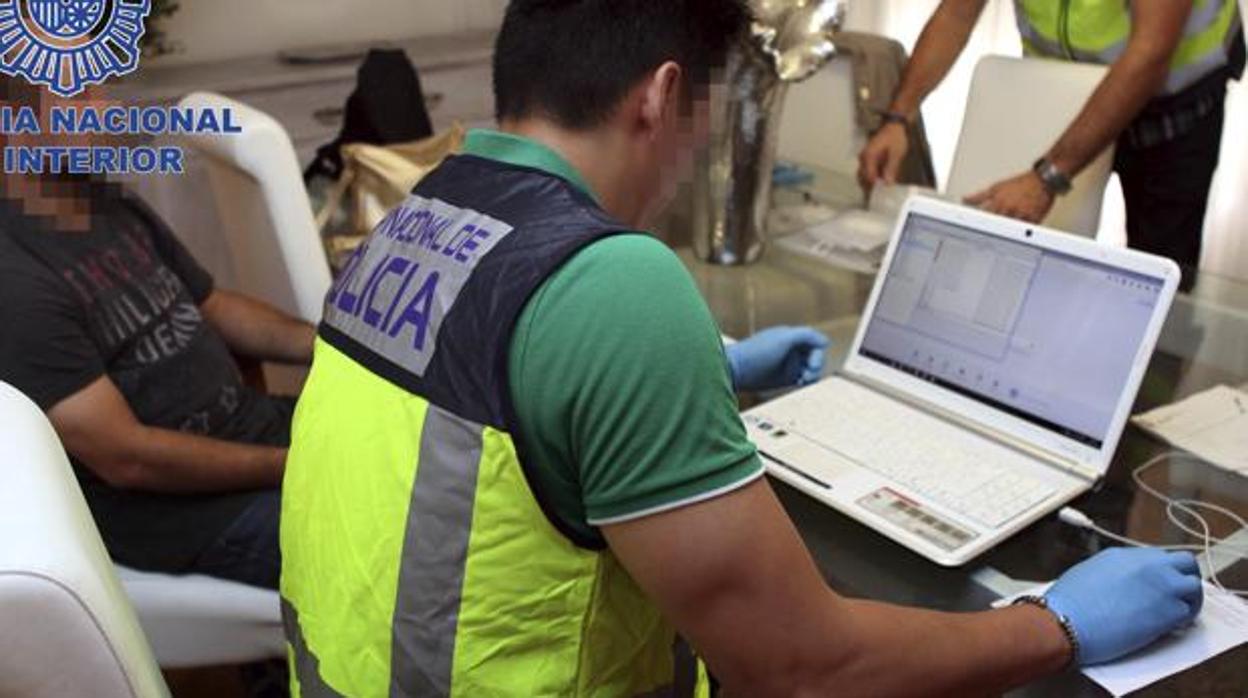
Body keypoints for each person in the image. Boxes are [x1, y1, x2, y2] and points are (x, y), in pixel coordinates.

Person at [280, 2, 1203, 696]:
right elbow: (802, 670)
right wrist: (1056, 624)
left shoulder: (419, 214)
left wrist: (697, 376)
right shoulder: (614, 283)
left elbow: (477, 397)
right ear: (663, 95)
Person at [0, 76, 314, 591]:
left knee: (423, 459)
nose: (105, 110)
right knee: (407, 531)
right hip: (184, 517)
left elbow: (212, 305)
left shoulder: (92, 196)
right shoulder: (15, 280)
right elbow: (128, 457)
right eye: (79, 99)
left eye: (98, 90)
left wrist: (335, 347)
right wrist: (293, 465)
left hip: (252, 431)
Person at [859, 0, 1245, 272]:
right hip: (1063, 90)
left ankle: (1155, 387)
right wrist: (898, 116)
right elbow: (957, 14)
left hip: (1171, 102)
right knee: (1025, 252)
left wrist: (1047, 177)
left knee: (1161, 272)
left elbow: (1151, 52)